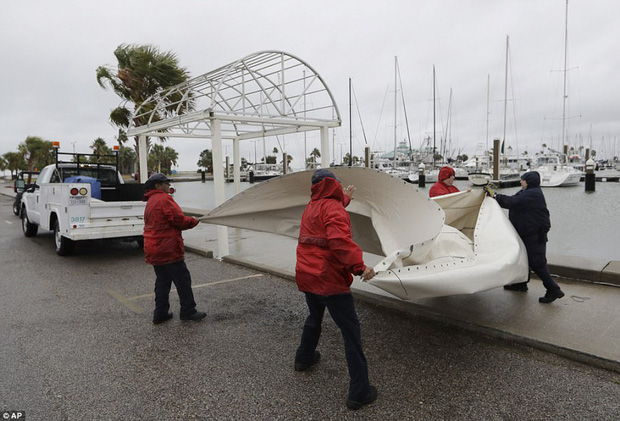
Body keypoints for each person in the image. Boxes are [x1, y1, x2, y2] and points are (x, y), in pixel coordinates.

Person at [294, 169, 378, 410]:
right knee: (351, 333)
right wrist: (360, 268)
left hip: (309, 276)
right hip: (330, 280)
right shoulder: (333, 208)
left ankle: (304, 358)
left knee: (314, 317)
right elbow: (340, 241)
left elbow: (328, 215)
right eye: (339, 186)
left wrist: (345, 199)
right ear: (333, 185)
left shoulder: (312, 205)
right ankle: (359, 391)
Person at [485, 171, 566, 303]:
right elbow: (513, 200)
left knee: (537, 263)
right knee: (524, 258)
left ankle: (553, 289)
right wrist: (496, 196)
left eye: (522, 180)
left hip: (535, 234)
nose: (521, 182)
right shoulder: (527, 191)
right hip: (529, 232)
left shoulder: (533, 194)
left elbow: (512, 202)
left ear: (529, 181)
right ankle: (520, 284)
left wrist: (494, 196)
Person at [143, 173, 207, 324]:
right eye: (165, 183)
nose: (168, 186)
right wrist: (194, 221)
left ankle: (160, 313)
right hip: (167, 248)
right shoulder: (165, 199)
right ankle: (188, 311)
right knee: (183, 280)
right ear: (158, 185)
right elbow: (179, 221)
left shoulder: (151, 200)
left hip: (153, 247)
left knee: (162, 281)